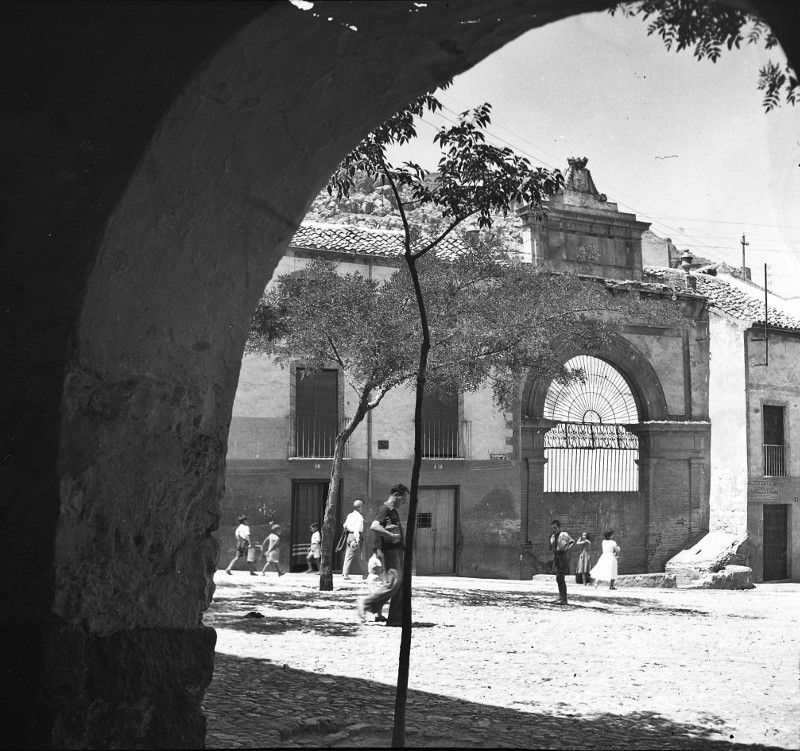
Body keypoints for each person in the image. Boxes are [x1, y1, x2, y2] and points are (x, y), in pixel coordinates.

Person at [357, 483, 409, 626]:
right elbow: (374, 526)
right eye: (403, 498)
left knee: (400, 585)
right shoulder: (384, 509)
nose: (404, 502)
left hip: (396, 551)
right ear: (396, 495)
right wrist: (390, 535)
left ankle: (396, 619)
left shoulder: (393, 511)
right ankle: (366, 603)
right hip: (389, 551)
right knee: (394, 583)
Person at [363, 551, 398, 623]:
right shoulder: (375, 560)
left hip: (378, 578)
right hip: (375, 579)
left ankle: (378, 615)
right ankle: (366, 608)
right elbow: (381, 566)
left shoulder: (374, 559)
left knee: (379, 599)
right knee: (377, 597)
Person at [549, 519, 575, 605]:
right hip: (556, 556)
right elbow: (551, 547)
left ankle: (564, 599)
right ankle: (560, 596)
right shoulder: (553, 536)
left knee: (561, 577)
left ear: (560, 527)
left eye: (555, 527)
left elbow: (571, 541)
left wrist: (567, 549)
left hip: (562, 556)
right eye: (552, 528)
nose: (554, 529)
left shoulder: (564, 534)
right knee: (557, 577)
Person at [342, 500, 367, 580]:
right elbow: (356, 529)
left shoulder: (350, 515)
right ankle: (365, 574)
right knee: (361, 556)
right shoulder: (359, 517)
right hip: (356, 535)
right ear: (359, 508)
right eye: (362, 506)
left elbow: (345, 525)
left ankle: (345, 574)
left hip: (349, 536)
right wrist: (357, 539)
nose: (363, 508)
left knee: (348, 556)